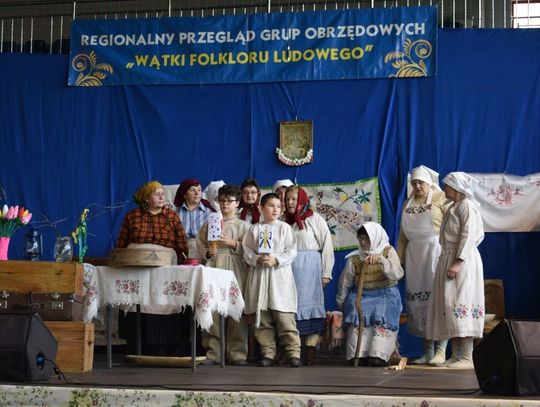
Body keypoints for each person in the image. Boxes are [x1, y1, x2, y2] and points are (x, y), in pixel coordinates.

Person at [116, 180, 190, 356]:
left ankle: (162, 348)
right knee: (137, 302)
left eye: (163, 193)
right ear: (146, 197)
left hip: (164, 269)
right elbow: (122, 242)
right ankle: (136, 348)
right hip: (136, 268)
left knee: (161, 301)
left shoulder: (171, 217)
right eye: (157, 193)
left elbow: (181, 245)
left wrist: (183, 264)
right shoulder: (133, 216)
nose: (162, 196)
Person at [426, 172, 485, 369]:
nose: (444, 190)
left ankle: (468, 357)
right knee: (450, 303)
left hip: (462, 259)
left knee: (461, 301)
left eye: (447, 187)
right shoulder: (454, 207)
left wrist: (458, 261)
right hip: (449, 256)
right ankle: (457, 354)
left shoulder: (467, 205)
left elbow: (468, 235)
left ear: (458, 188)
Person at [242, 192, 302, 368]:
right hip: (259, 276)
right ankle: (268, 352)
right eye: (271, 205)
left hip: (279, 277)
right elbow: (246, 251)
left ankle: (293, 352)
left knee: (284, 316)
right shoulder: (254, 229)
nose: (275, 209)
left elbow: (292, 251)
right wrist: (256, 259)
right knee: (262, 318)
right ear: (261, 208)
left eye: (278, 206)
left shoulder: (284, 228)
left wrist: (277, 260)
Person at [397, 165, 449, 365]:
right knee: (422, 303)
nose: (417, 186)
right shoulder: (407, 203)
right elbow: (402, 236)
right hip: (414, 256)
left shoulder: (440, 198)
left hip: (436, 251)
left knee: (439, 300)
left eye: (421, 183)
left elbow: (451, 225)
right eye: (414, 183)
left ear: (429, 183)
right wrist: (400, 260)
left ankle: (441, 351)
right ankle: (427, 351)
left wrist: (449, 255)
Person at [196, 184, 250, 366]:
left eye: (230, 201)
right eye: (222, 200)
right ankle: (213, 353)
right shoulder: (209, 223)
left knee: (236, 311)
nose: (226, 204)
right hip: (214, 266)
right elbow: (200, 243)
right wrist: (208, 253)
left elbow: (251, 250)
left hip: (235, 268)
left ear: (237, 203)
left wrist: (234, 243)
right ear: (217, 201)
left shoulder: (243, 226)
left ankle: (237, 353)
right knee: (212, 308)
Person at [336, 222, 404, 367]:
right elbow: (345, 282)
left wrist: (382, 261)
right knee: (356, 310)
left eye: (366, 239)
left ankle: (378, 354)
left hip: (385, 294)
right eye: (360, 238)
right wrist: (342, 302)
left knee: (381, 313)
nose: (362, 242)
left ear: (375, 238)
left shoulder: (388, 251)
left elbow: (397, 274)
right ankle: (359, 354)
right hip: (362, 296)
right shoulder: (355, 258)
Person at [284, 185, 334, 365]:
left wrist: (326, 272)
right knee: (289, 309)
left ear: (303, 200)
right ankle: (292, 351)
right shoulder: (283, 221)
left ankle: (310, 351)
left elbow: (327, 246)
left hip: (310, 269)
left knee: (309, 308)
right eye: (288, 199)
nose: (290, 202)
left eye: (294, 199)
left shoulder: (315, 219)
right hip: (288, 269)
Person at [174, 178, 215, 260]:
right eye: (192, 190)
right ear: (184, 194)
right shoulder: (175, 213)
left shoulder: (210, 213)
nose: (197, 193)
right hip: (180, 250)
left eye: (199, 190)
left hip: (203, 251)